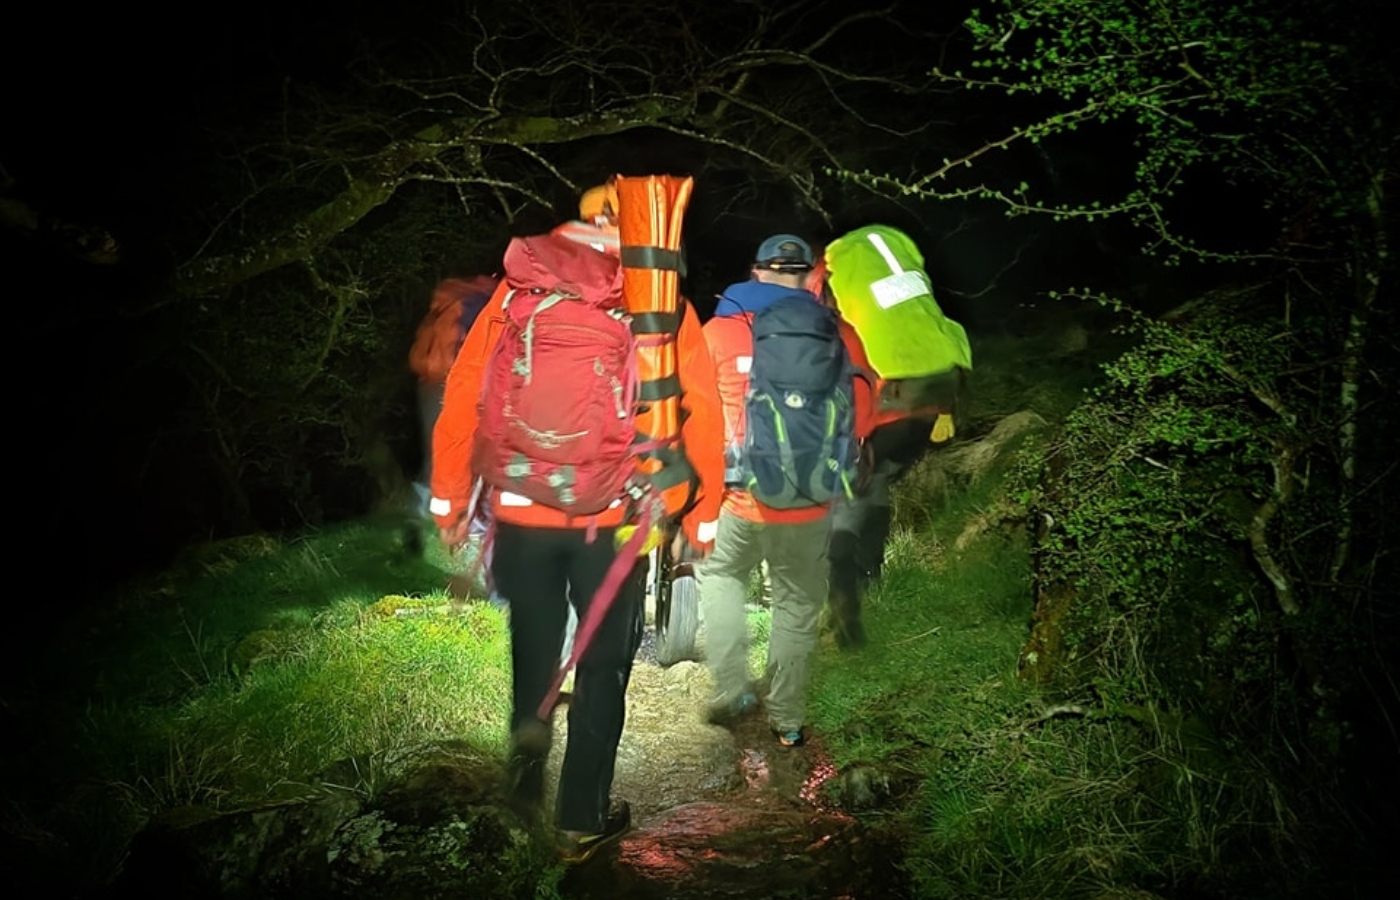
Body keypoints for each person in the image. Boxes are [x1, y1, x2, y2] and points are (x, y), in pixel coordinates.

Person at [430, 184, 724, 863]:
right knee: (603, 666)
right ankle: (579, 821)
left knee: (534, 650)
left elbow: (469, 390)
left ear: (578, 220)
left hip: (522, 507)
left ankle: (521, 798)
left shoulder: (520, 287)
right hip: (616, 516)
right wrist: (698, 516)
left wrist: (450, 497)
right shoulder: (656, 301)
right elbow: (699, 412)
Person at [699, 234, 872, 748]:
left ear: (756, 273)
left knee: (723, 575)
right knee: (796, 603)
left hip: (739, 498)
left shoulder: (718, 332)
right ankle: (788, 717)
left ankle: (731, 689)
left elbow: (698, 421)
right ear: (809, 277)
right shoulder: (839, 333)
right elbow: (865, 413)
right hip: (812, 501)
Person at [809, 224, 971, 649]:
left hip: (890, 394)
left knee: (843, 497)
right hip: (940, 388)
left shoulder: (830, 271)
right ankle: (872, 578)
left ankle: (842, 618)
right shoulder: (891, 253)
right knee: (874, 482)